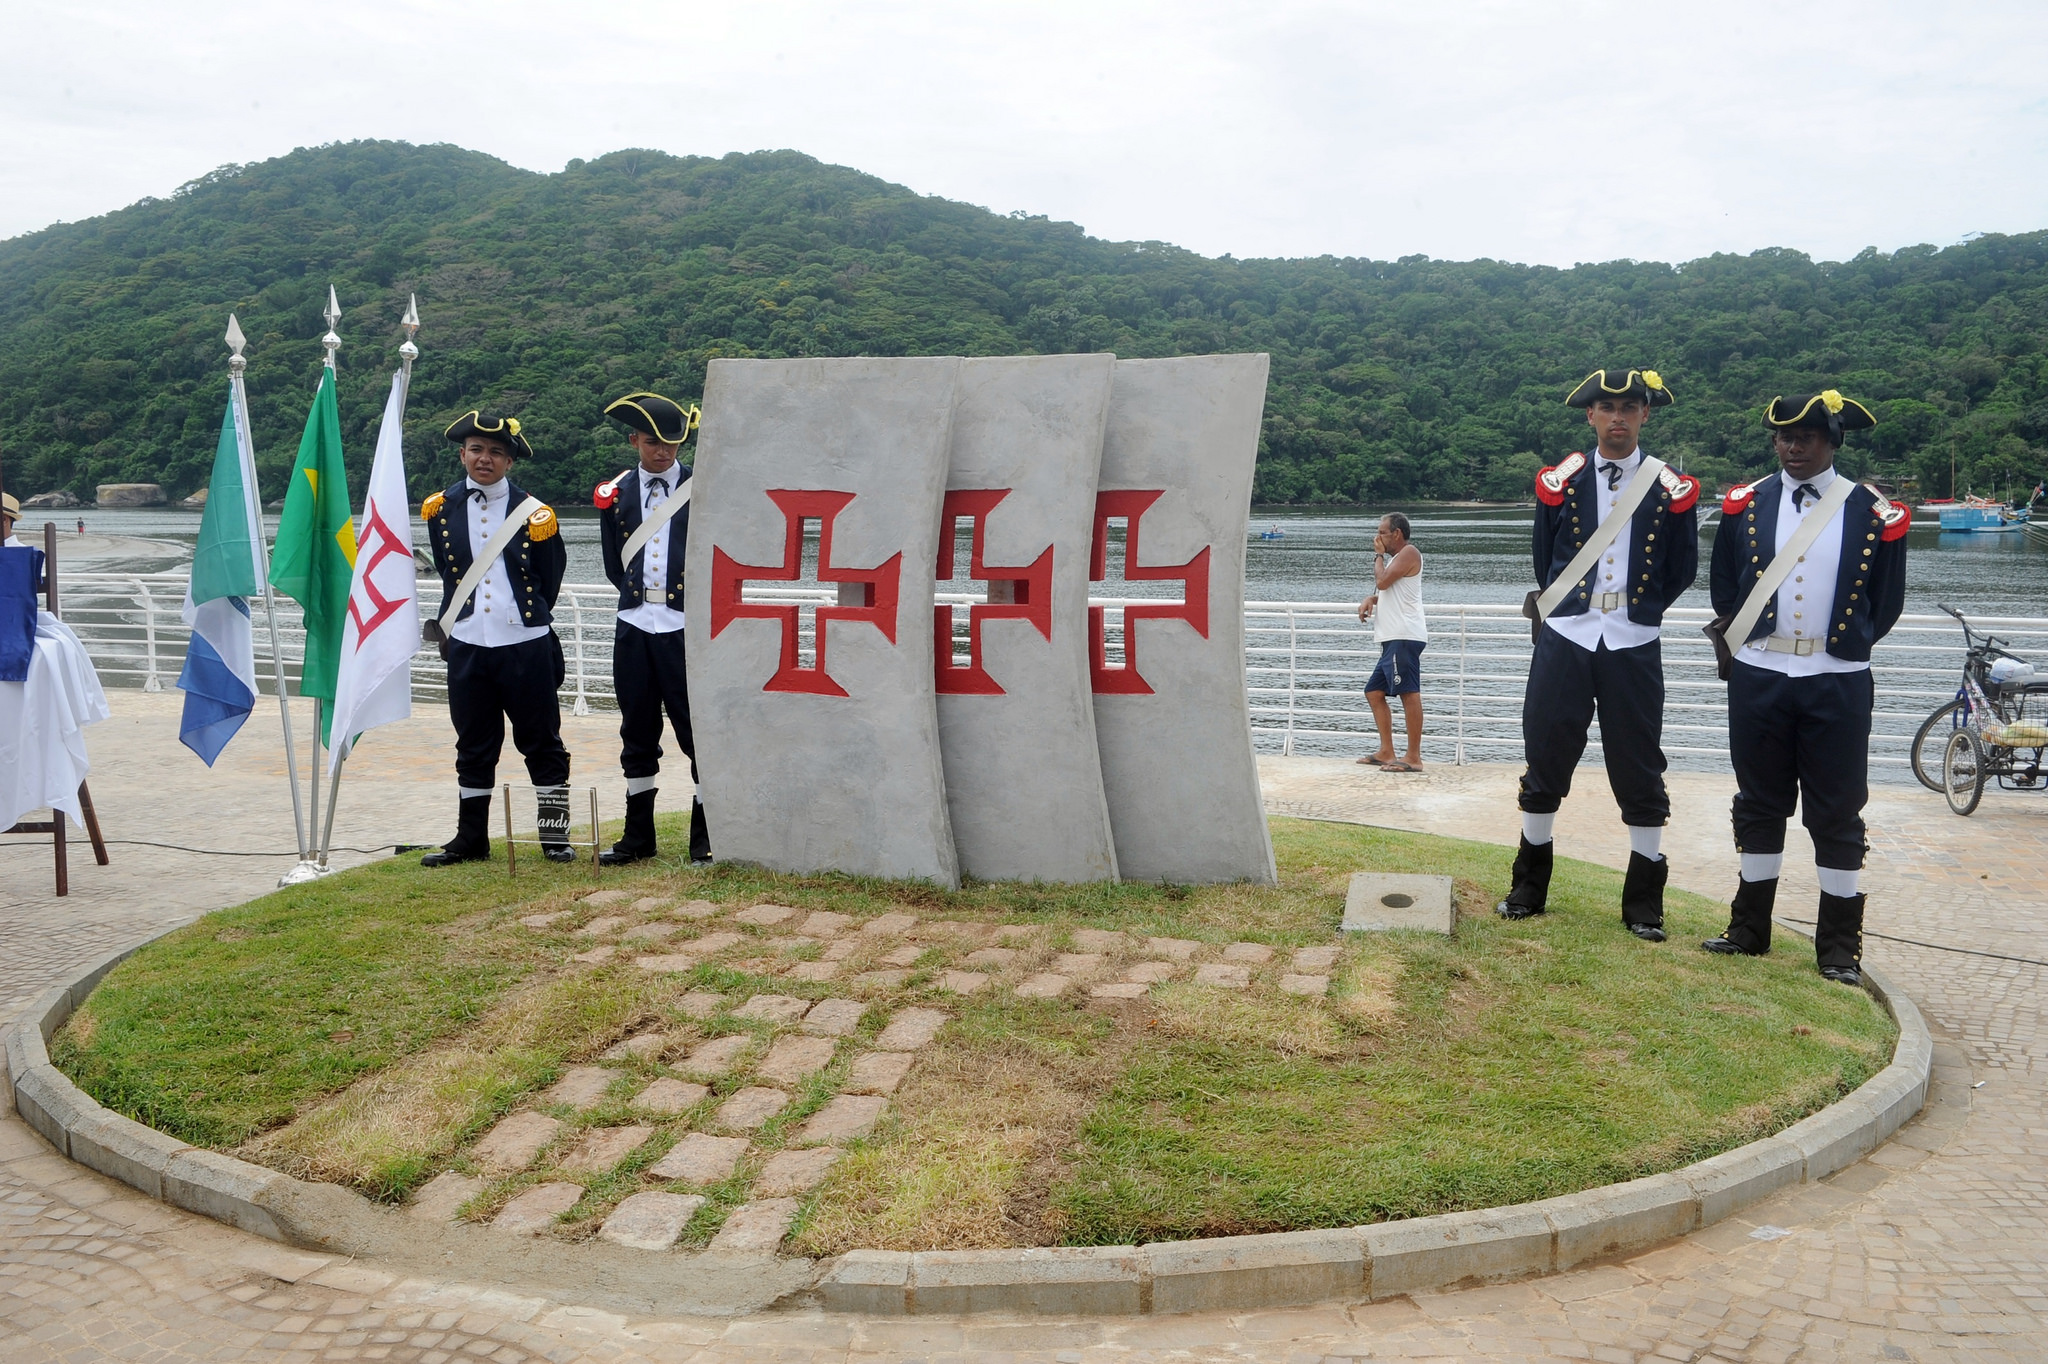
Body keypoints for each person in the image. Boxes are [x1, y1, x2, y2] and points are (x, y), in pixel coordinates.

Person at [1702, 392, 1909, 985]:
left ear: (1832, 442)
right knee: (1759, 801)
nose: (1794, 448)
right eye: (1784, 439)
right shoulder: (1747, 503)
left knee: (1837, 812)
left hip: (1836, 679)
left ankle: (1839, 947)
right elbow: (1726, 589)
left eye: (1808, 438)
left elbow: (1885, 605)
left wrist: (1837, 648)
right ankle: (1749, 928)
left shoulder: (1872, 511)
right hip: (1761, 673)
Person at [1496, 368, 1701, 939]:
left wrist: (1639, 608)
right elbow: (1546, 559)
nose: (1617, 417)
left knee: (1639, 764)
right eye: (1607, 408)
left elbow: (1681, 569)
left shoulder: (1669, 488)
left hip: (1633, 639)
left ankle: (1643, 904)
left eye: (1629, 407)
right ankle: (1528, 886)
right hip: (1568, 632)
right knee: (1546, 751)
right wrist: (1573, 608)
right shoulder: (1563, 480)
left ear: (1645, 415)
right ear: (1590, 415)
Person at [419, 412, 575, 866]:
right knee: (473, 743)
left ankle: (554, 836)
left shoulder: (537, 514)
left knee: (542, 741)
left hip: (524, 642)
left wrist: (518, 618)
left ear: (509, 460)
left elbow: (549, 581)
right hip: (467, 641)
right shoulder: (440, 508)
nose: (484, 459)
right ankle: (471, 840)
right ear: (462, 453)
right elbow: (451, 576)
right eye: (476, 449)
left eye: (495, 452)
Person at [593, 391, 711, 866]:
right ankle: (637, 837)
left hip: (685, 626)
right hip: (634, 624)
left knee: (695, 731)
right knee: (636, 731)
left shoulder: (702, 485)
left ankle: (704, 838)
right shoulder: (615, 494)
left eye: (672, 443)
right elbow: (612, 565)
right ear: (634, 439)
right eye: (652, 442)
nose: (663, 452)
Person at [1355, 512, 1426, 772]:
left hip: (1404, 636)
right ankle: (1387, 751)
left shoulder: (1408, 553)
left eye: (1382, 532)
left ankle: (1413, 757)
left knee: (1409, 693)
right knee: (1374, 692)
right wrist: (1370, 599)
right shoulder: (1399, 559)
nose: (1378, 537)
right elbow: (1390, 591)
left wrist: (1378, 556)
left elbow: (1383, 581)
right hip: (1391, 638)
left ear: (1396, 533)